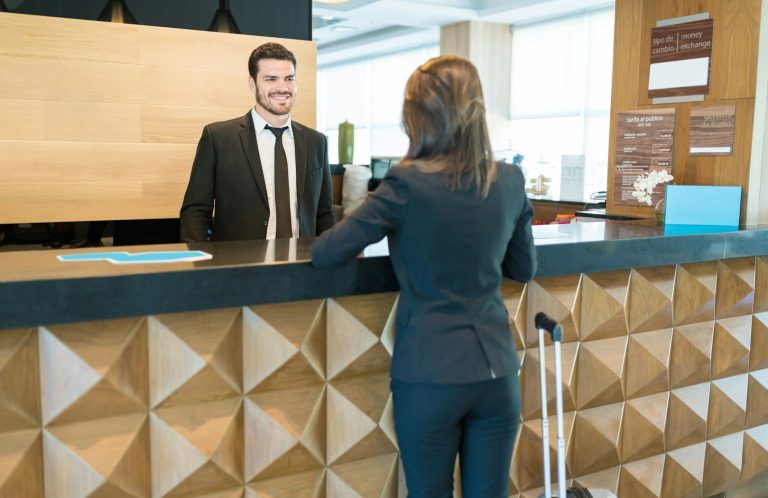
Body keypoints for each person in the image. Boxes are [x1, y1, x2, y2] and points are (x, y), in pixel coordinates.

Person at [311, 55, 536, 497]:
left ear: (417, 116)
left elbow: (327, 252)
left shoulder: (406, 182)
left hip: (430, 374)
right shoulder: (509, 179)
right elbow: (523, 268)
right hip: (496, 374)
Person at [180, 43, 335, 242]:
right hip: (239, 260)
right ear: (252, 83)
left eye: (289, 79)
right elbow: (195, 212)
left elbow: (324, 214)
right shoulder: (218, 138)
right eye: (271, 79)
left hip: (302, 260)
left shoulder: (317, 142)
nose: (283, 87)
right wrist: (198, 260)